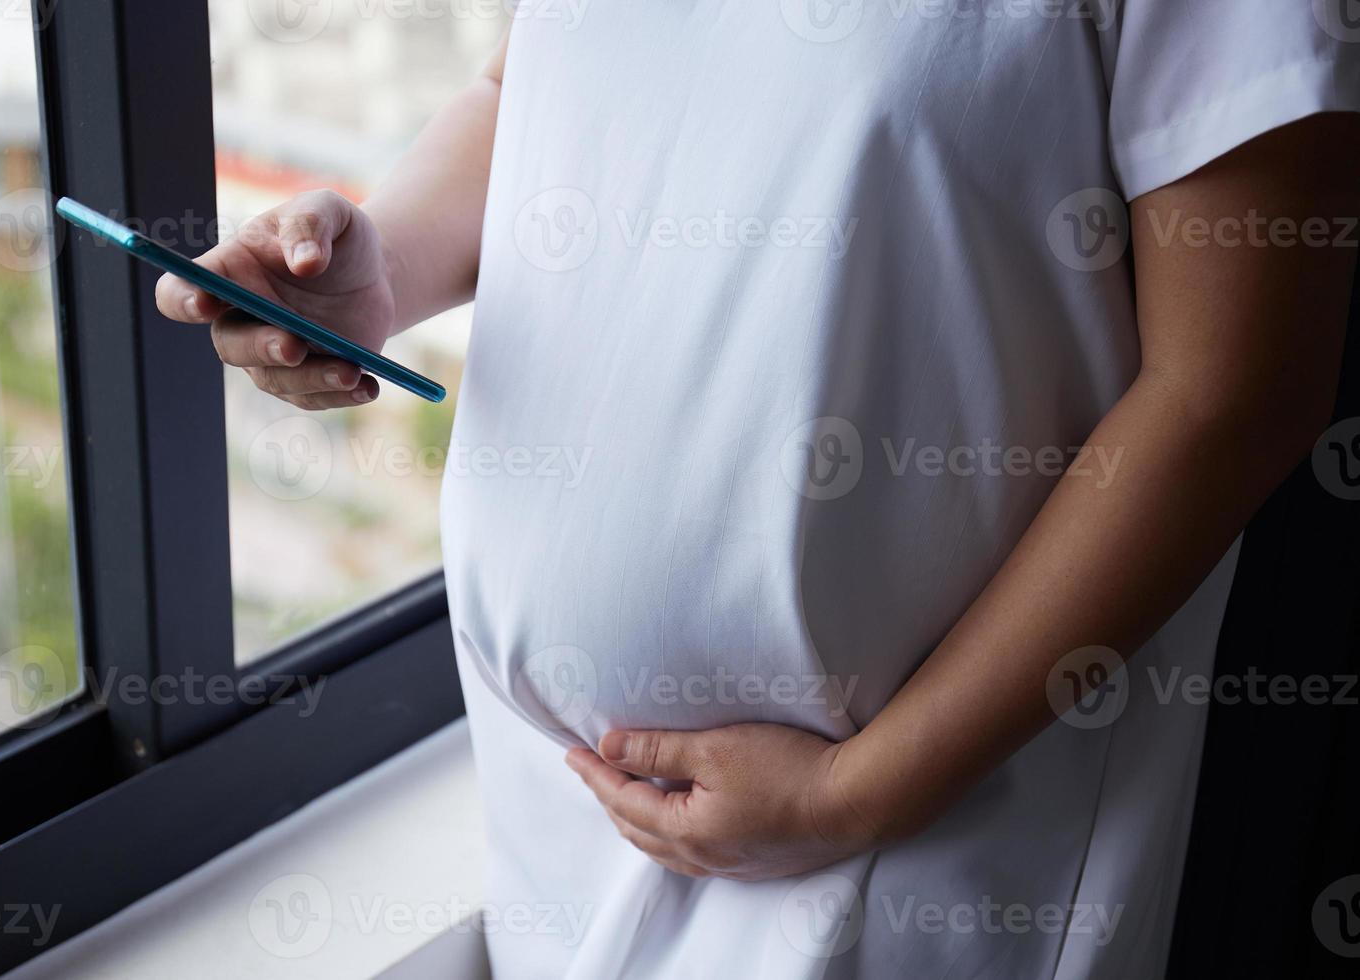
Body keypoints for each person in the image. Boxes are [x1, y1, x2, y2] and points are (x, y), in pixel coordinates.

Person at [157, 3, 1360, 976]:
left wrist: (855, 794)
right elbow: (532, 92)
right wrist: (373, 270)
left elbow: (1232, 390)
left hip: (917, 846)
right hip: (561, 828)